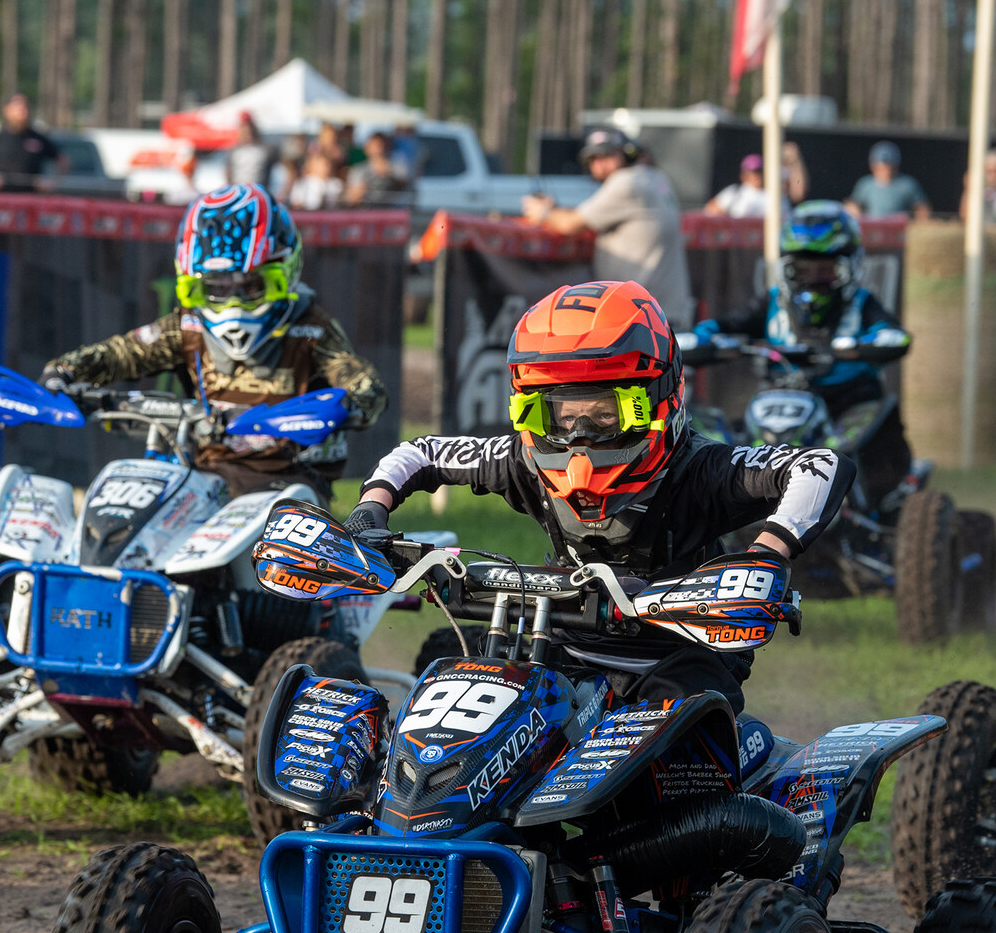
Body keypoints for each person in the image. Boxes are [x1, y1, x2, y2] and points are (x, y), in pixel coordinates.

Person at [342, 280, 853, 710]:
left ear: (658, 398)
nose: (580, 436)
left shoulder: (701, 468)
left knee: (682, 752)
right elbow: (420, 452)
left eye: (606, 414)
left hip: (682, 656)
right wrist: (369, 511)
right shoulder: (522, 461)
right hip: (559, 643)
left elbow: (821, 465)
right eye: (562, 415)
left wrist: (766, 554)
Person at [39, 183, 386, 500]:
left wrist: (344, 405)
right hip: (204, 478)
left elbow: (366, 387)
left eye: (250, 286)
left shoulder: (310, 327)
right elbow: (121, 353)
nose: (233, 301)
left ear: (285, 271)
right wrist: (63, 372)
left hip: (288, 483)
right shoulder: (187, 326)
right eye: (216, 288)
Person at [685, 201, 914, 505]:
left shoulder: (862, 303)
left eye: (826, 271)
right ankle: (733, 498)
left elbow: (893, 334)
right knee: (711, 432)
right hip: (780, 399)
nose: (813, 280)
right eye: (802, 270)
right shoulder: (773, 302)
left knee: (881, 416)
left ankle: (873, 502)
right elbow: (723, 325)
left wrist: (861, 346)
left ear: (850, 266)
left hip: (847, 405)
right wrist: (706, 340)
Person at [523, 127, 694, 327]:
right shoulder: (656, 177)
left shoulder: (626, 182)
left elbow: (569, 225)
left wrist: (544, 213)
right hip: (663, 312)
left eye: (608, 155)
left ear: (628, 154)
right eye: (594, 158)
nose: (600, 164)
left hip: (641, 318)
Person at [0, 93, 57, 193]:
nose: (23, 111)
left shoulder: (38, 138)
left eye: (25, 107)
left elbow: (63, 161)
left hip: (32, 198)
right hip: (4, 198)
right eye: (18, 107)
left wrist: (52, 182)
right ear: (7, 110)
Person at [846, 141, 930, 220]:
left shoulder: (908, 183)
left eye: (890, 168)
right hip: (873, 226)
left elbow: (922, 208)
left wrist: (919, 222)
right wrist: (855, 212)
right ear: (873, 167)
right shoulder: (865, 184)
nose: (886, 172)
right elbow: (852, 205)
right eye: (881, 168)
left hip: (899, 228)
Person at [345, 130, 410, 207]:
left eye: (380, 145)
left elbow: (407, 185)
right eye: (374, 145)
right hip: (367, 210)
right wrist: (358, 193)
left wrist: (389, 172)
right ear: (366, 148)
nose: (378, 149)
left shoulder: (398, 165)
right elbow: (351, 198)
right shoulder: (358, 170)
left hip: (394, 210)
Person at [705, 153, 773, 218]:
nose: (755, 176)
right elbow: (710, 211)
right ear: (743, 175)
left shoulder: (774, 195)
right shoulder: (734, 192)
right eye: (752, 173)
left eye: (759, 172)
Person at [226, 114, 273, 189]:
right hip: (239, 187)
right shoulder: (234, 151)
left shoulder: (264, 150)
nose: (245, 136)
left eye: (247, 133)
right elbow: (228, 169)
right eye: (243, 133)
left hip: (258, 187)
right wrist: (231, 186)